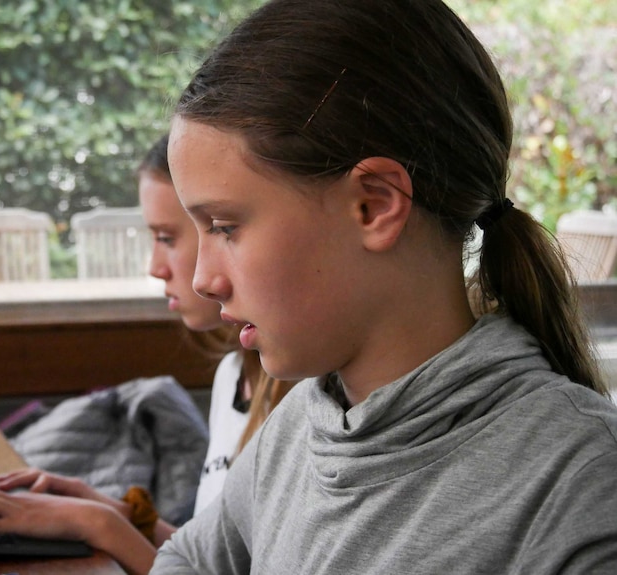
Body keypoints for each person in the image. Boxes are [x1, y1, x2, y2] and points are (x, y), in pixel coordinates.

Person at [150, 0, 617, 573]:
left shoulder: (581, 482)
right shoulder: (299, 424)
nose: (203, 279)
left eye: (224, 226)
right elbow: (189, 559)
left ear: (374, 206)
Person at [0, 134, 296, 575]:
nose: (154, 267)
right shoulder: (233, 375)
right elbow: (214, 562)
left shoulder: (298, 401)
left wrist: (102, 525)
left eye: (167, 237)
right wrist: (118, 514)